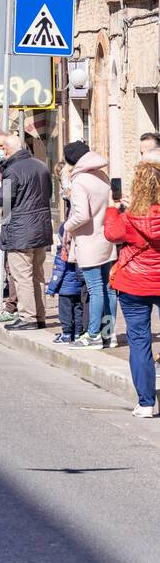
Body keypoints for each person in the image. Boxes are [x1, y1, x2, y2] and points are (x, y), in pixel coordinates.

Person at [103, 159, 160, 416]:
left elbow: (112, 234)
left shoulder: (129, 217)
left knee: (139, 342)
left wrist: (113, 209)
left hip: (134, 282)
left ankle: (146, 403)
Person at [0, 133, 53, 330]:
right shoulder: (42, 166)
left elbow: (6, 201)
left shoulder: (12, 171)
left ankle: (28, 317)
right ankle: (40, 315)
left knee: (22, 276)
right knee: (38, 274)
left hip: (21, 230)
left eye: (2, 149)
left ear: (8, 150)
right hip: (41, 227)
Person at [60, 141, 116, 348]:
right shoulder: (101, 176)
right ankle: (108, 334)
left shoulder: (80, 180)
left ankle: (93, 334)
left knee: (95, 289)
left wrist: (67, 225)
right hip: (106, 238)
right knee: (109, 289)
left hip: (89, 240)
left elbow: (82, 215)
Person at [46, 222, 86, 343]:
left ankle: (67, 333)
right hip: (78, 288)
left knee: (65, 313)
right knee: (78, 311)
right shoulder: (81, 250)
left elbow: (58, 272)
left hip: (65, 290)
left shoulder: (63, 252)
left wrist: (51, 289)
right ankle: (78, 333)